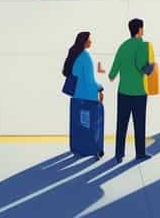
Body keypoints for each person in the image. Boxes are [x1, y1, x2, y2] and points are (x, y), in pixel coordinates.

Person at [108, 18, 151, 162]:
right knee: (139, 124)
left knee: (121, 124)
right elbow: (145, 69)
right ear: (139, 30)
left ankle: (119, 154)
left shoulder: (123, 47)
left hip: (123, 93)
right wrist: (154, 66)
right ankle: (140, 153)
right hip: (138, 93)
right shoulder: (143, 46)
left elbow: (112, 75)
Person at [63, 31, 104, 103]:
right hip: (88, 98)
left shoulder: (74, 55)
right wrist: (100, 88)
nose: (91, 41)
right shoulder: (85, 56)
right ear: (84, 41)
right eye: (89, 39)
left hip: (76, 97)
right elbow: (89, 80)